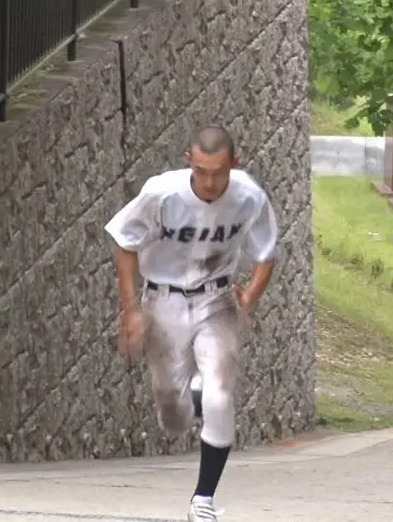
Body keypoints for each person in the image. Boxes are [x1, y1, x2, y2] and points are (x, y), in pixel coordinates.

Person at [105, 126, 279, 522]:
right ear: (189, 160)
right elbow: (125, 242)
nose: (211, 182)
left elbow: (266, 252)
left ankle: (203, 500)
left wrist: (250, 294)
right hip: (162, 302)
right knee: (173, 416)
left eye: (219, 172)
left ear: (235, 164)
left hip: (216, 300)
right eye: (202, 171)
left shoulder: (248, 197)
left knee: (220, 398)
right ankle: (192, 399)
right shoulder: (161, 194)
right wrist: (131, 310)